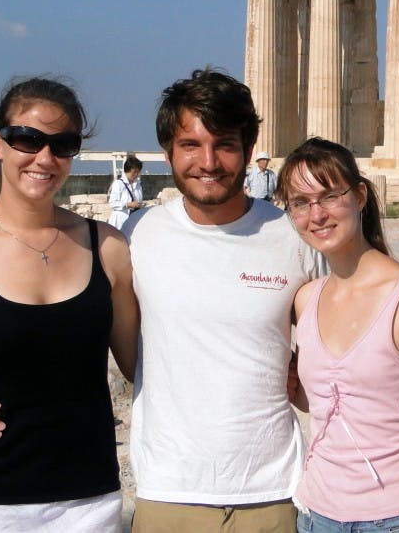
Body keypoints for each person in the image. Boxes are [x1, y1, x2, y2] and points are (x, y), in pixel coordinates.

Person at [0, 77, 139, 532]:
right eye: (28, 139)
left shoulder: (108, 247)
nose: (44, 157)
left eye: (62, 144)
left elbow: (141, 365)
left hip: (89, 504)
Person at [124, 68, 324, 532]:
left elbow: (341, 337)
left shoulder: (294, 238)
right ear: (168, 152)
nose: (208, 161)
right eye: (191, 145)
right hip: (169, 491)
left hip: (274, 492)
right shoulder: (137, 236)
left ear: (249, 151)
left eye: (225, 144)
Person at [274, 137, 399, 533]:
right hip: (316, 514)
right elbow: (327, 401)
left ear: (359, 196)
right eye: (301, 203)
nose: (317, 214)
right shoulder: (306, 299)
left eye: (329, 196)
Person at [107, 154, 144, 230]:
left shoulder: (138, 185)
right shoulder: (118, 184)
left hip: (133, 220)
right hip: (120, 221)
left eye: (138, 172)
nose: (136, 174)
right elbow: (112, 203)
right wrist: (128, 205)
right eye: (134, 172)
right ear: (127, 170)